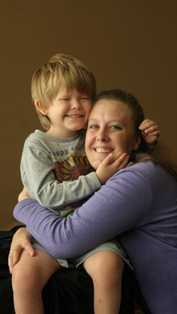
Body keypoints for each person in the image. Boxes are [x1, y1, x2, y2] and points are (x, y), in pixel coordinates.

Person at [11, 54, 159, 314]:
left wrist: (144, 139)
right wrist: (96, 179)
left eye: (84, 97)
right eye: (66, 99)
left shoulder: (91, 133)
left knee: (109, 266)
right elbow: (48, 196)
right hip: (49, 233)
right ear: (43, 107)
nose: (77, 105)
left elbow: (123, 156)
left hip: (93, 231)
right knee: (23, 275)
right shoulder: (37, 146)